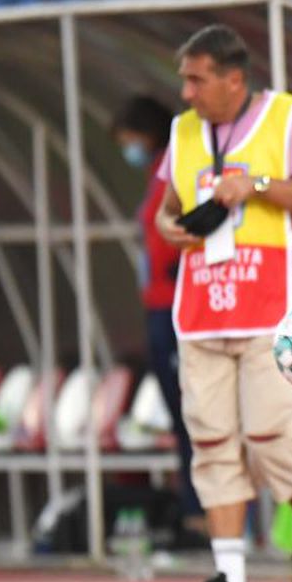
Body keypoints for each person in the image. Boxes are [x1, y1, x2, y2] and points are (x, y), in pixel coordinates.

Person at [154, 24, 292, 582]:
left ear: (234, 79)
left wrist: (255, 185)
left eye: (196, 79)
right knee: (210, 441)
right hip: (205, 306)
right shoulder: (182, 131)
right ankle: (229, 578)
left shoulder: (290, 118)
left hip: (274, 305)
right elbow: (167, 207)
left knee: (268, 437)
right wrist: (168, 228)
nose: (186, 92)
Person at [111, 95, 206, 548]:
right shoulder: (158, 173)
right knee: (182, 416)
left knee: (196, 415)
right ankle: (193, 513)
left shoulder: (179, 166)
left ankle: (205, 517)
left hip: (176, 306)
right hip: (159, 305)